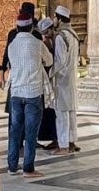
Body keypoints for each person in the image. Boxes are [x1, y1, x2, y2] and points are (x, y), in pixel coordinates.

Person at [5, 11, 52, 178]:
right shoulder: (37, 43)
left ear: (17, 28)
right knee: (31, 132)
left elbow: (11, 64)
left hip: (16, 92)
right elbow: (50, 61)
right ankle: (28, 168)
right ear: (32, 27)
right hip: (32, 92)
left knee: (15, 130)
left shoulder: (11, 45)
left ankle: (11, 166)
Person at [0, 1, 42, 117]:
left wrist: (2, 75)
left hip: (16, 82)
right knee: (31, 122)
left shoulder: (13, 34)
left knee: (15, 121)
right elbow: (45, 60)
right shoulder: (37, 36)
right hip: (33, 84)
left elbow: (6, 55)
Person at [50, 5, 81, 155]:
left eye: (55, 17)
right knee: (71, 112)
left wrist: (49, 73)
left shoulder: (61, 36)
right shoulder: (74, 35)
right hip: (72, 78)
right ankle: (71, 142)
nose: (53, 20)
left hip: (62, 80)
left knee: (62, 113)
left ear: (60, 19)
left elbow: (59, 61)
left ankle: (63, 146)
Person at [36, 18, 60, 150]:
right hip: (47, 81)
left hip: (53, 80)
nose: (45, 35)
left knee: (52, 110)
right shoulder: (49, 41)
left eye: (46, 32)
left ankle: (56, 139)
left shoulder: (56, 40)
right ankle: (51, 137)